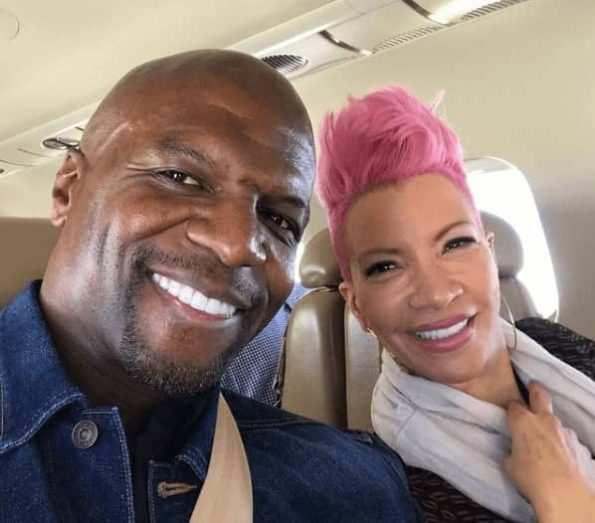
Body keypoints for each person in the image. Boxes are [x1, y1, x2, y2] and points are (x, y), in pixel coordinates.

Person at [0, 52, 422, 522]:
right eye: (181, 178)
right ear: (68, 188)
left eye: (278, 220)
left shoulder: (350, 492)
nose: (238, 246)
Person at [316, 85, 595, 522]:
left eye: (455, 244)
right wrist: (564, 501)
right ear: (358, 307)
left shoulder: (554, 342)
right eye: (386, 267)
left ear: (490, 253)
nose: (436, 293)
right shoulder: (392, 488)